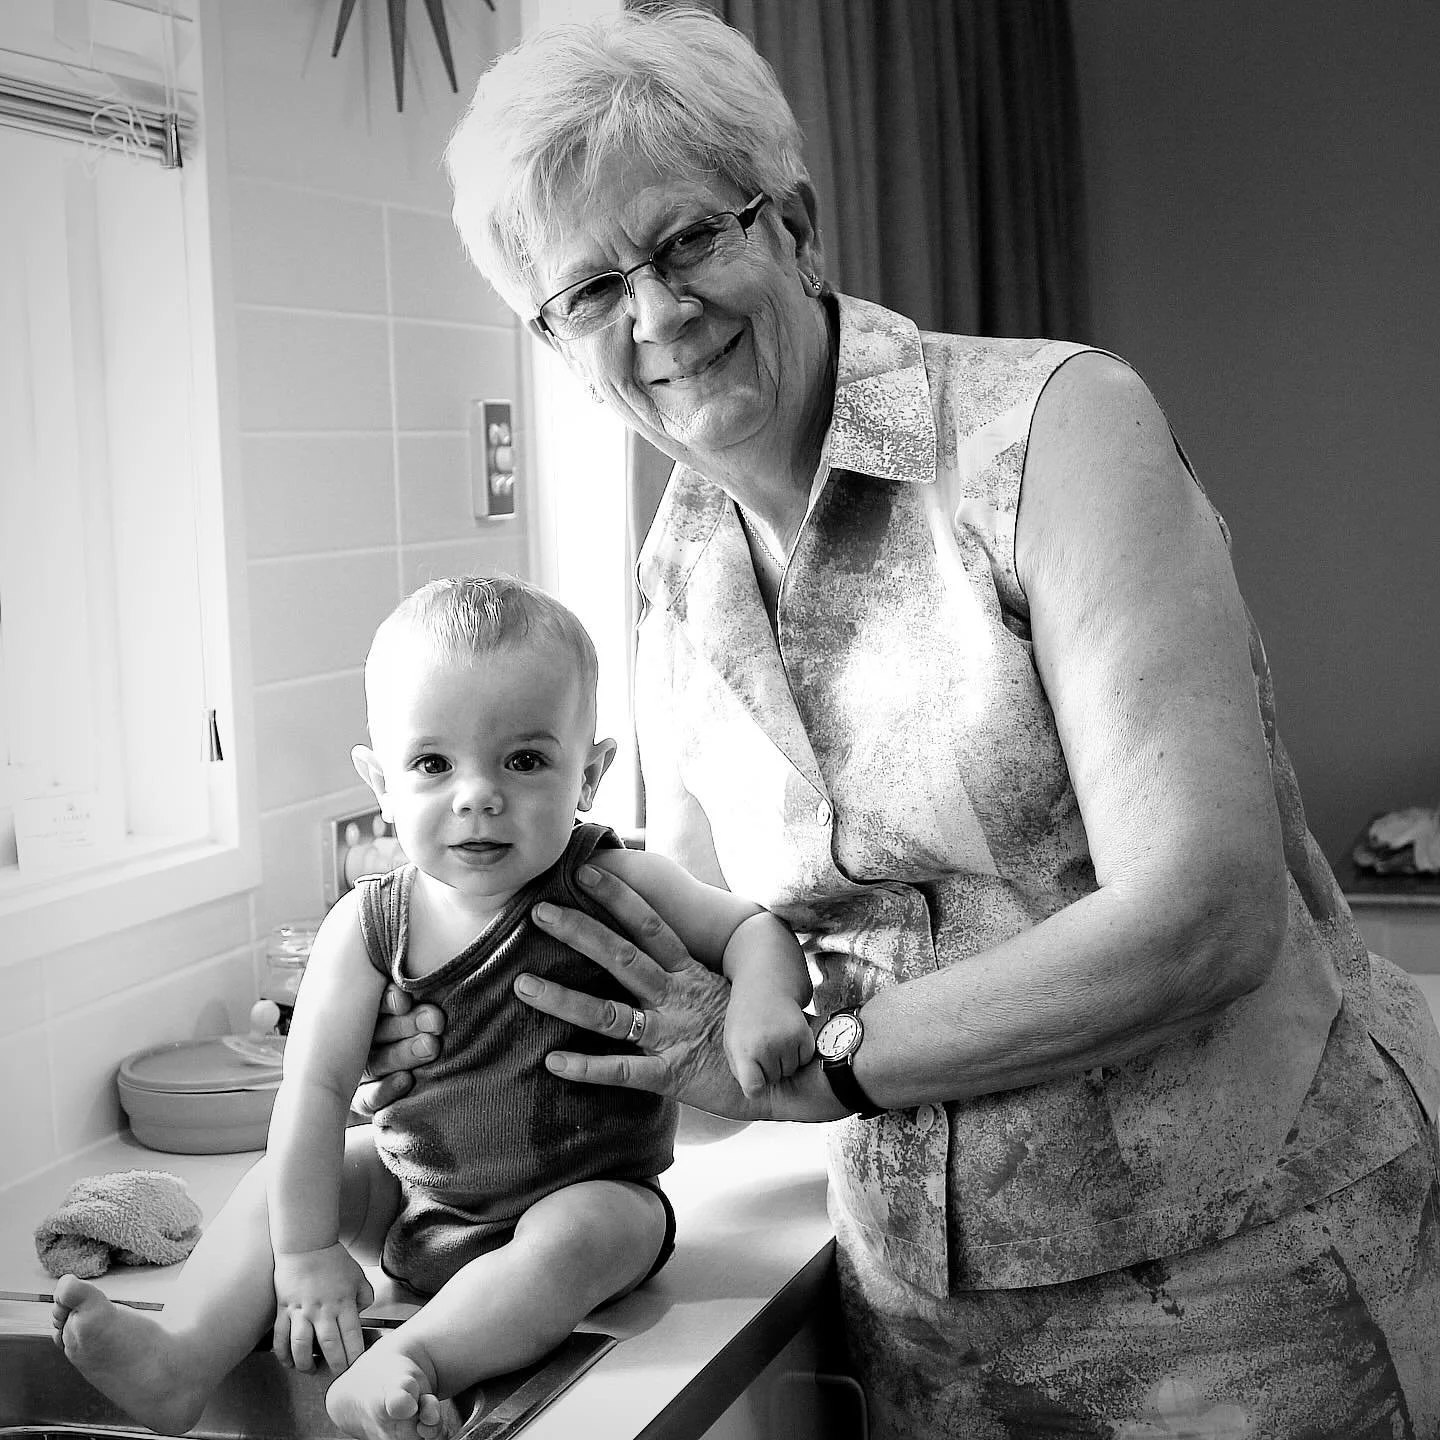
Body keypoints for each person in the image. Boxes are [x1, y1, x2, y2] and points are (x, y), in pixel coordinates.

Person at [358, 10, 1440, 1438]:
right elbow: (709, 926)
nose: (659, 313)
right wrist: (426, 995)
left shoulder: (1050, 431)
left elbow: (1206, 911)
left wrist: (835, 1061)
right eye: (592, 290)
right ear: (560, 344)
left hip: (1248, 1283)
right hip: (928, 1321)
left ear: (794, 226)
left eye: (689, 240)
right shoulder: (680, 565)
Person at [51, 574, 814, 1440]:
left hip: (585, 1203)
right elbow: (313, 1093)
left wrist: (760, 1003)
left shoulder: (616, 879)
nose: (477, 795)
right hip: (412, 1204)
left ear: (591, 772)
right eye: (433, 764)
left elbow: (751, 928)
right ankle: (180, 1360)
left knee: (595, 1224)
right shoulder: (368, 924)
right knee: (286, 1182)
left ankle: (416, 1359)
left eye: (525, 761)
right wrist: (305, 1255)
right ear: (382, 782)